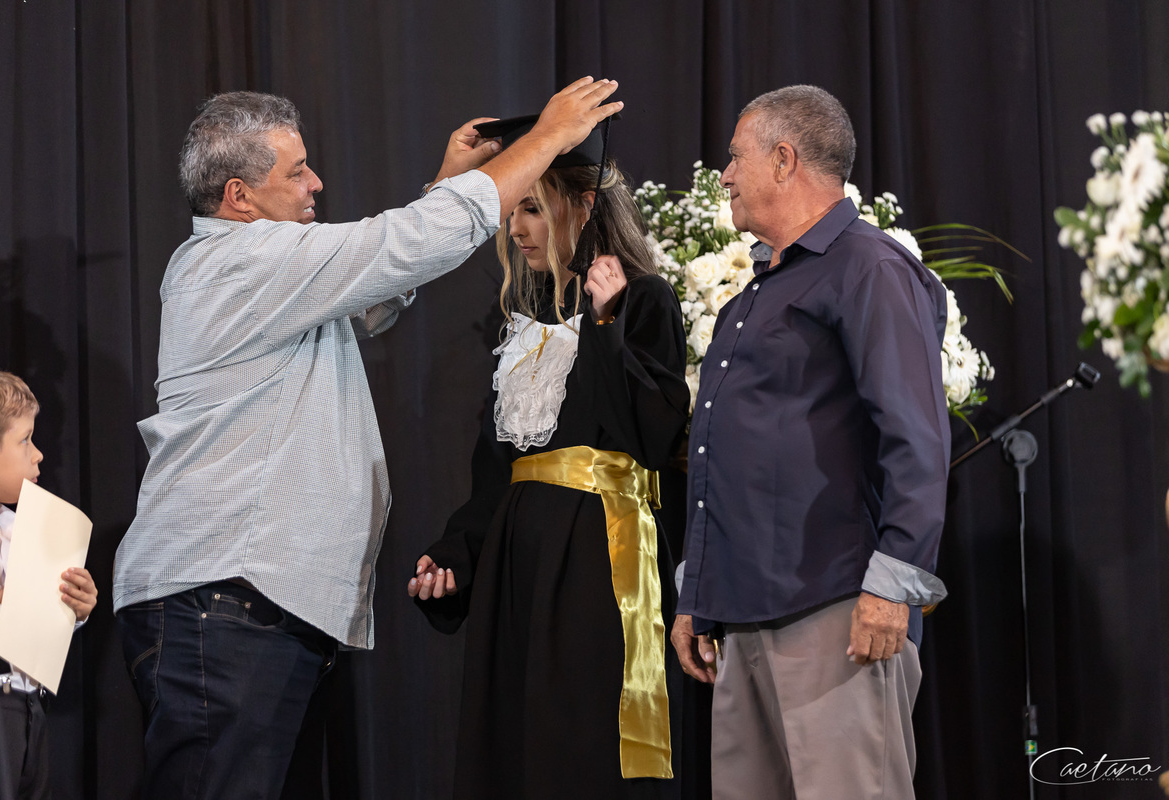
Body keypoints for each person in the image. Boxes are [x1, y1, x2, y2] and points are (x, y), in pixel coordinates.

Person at [111, 78, 622, 799]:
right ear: (239, 198)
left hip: (245, 607)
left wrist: (447, 184)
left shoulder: (262, 273)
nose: (316, 183)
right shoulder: (242, 262)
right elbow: (402, 246)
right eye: (297, 171)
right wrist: (546, 139)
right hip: (226, 605)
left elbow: (378, 287)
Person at [670, 85, 951, 800]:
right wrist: (698, 593)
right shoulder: (752, 296)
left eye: (735, 157)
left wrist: (892, 587)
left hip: (835, 611)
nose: (724, 175)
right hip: (742, 614)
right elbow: (723, 458)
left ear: (784, 159)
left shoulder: (869, 267)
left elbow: (915, 436)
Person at [409, 116, 690, 799]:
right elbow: (496, 474)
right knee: (518, 752)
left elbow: (654, 437)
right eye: (513, 212)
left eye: (532, 208)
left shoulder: (643, 300)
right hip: (520, 567)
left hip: (596, 563)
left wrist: (606, 323)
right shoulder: (522, 327)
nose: (516, 228)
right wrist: (455, 555)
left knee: (582, 749)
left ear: (583, 206)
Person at [0, 367, 98, 800]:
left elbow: (39, 633)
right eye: (25, 441)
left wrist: (70, 609)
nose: (38, 454)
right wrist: (9, 610)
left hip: (30, 710)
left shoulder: (23, 530)